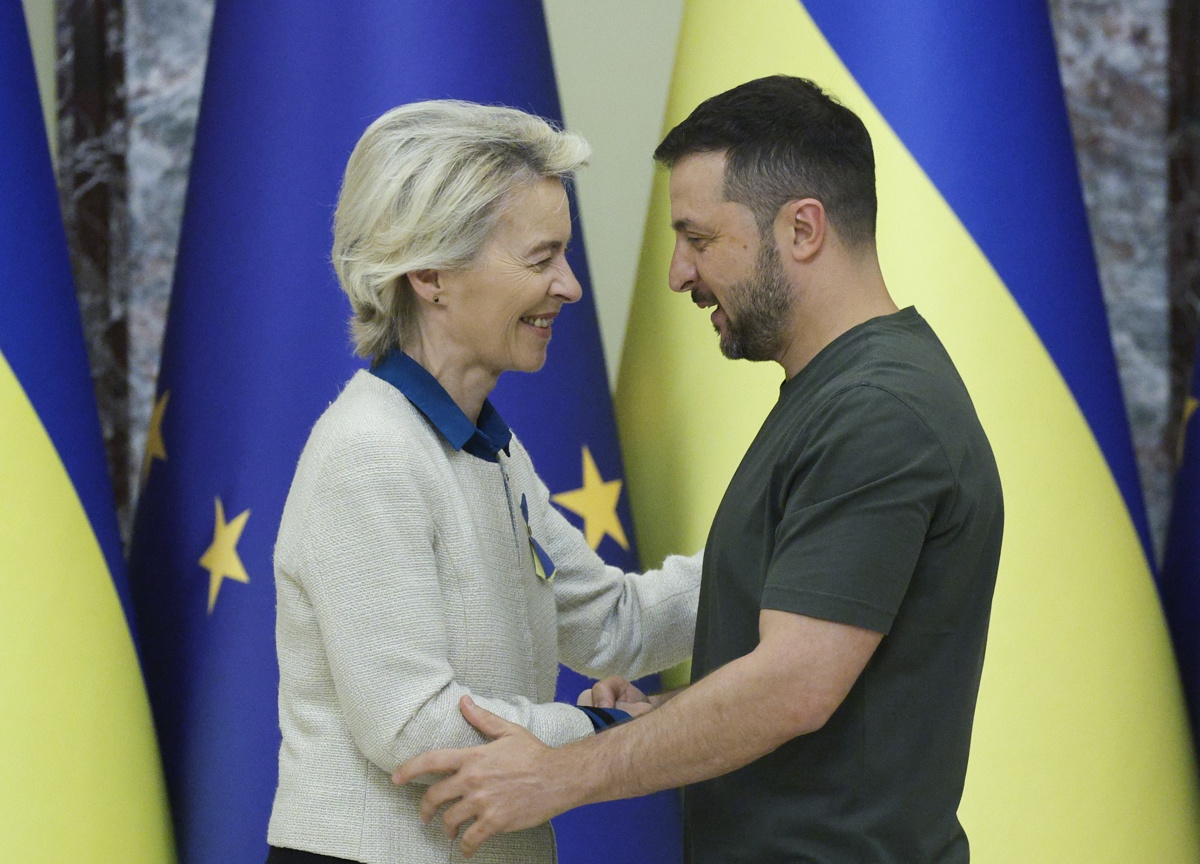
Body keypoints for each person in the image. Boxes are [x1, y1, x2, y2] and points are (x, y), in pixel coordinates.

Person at [394, 75, 1004, 863]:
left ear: (803, 229)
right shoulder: (836, 395)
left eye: (701, 239)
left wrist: (559, 775)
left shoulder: (877, 413)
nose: (679, 273)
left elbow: (793, 686)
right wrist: (656, 718)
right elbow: (818, 678)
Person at [265, 100, 701, 864]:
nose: (569, 286)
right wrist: (614, 732)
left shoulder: (484, 451)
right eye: (541, 259)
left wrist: (778, 558)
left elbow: (613, 623)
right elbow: (415, 725)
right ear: (430, 272)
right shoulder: (368, 450)